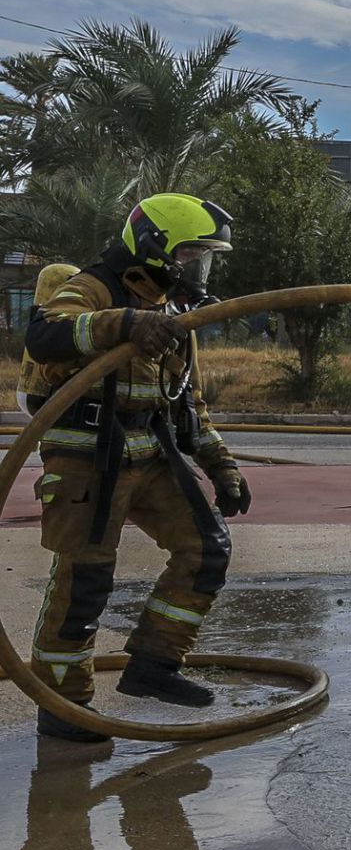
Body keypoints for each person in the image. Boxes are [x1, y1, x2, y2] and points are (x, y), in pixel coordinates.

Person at [23, 193, 249, 742]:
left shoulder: (174, 316)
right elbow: (47, 334)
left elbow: (188, 403)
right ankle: (63, 705)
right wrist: (122, 323)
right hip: (85, 456)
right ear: (156, 247)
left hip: (151, 451)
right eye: (192, 254)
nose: (199, 266)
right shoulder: (93, 287)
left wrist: (222, 466)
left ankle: (154, 665)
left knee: (206, 548)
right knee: (86, 580)